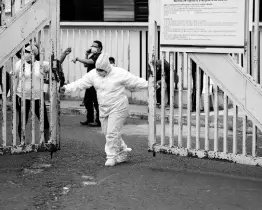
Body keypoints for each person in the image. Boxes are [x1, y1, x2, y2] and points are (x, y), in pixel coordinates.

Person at [61, 54, 148, 166]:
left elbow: (135, 81)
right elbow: (81, 83)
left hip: (118, 106)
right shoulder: (93, 74)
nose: (99, 72)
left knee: (112, 133)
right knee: (109, 133)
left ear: (107, 67)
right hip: (103, 108)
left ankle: (111, 157)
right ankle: (123, 150)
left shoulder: (119, 73)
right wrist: (67, 88)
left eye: (102, 70)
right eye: (97, 70)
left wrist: (150, 85)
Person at [14, 44, 50, 143]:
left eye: (30, 52)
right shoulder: (19, 64)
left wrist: (64, 54)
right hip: (22, 96)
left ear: (35, 53)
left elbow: (55, 66)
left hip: (38, 97)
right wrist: (13, 94)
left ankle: (47, 142)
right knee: (22, 121)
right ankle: (22, 143)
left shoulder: (42, 64)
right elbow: (15, 78)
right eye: (26, 51)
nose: (27, 54)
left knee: (44, 121)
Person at [72, 40, 102, 127]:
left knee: (96, 102)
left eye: (94, 46)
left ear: (99, 48)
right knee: (88, 101)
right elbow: (86, 64)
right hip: (89, 82)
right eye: (92, 46)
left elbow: (90, 62)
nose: (92, 47)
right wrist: (86, 54)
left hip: (95, 82)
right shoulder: (93, 55)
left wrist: (77, 59)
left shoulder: (99, 56)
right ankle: (89, 119)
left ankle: (99, 121)